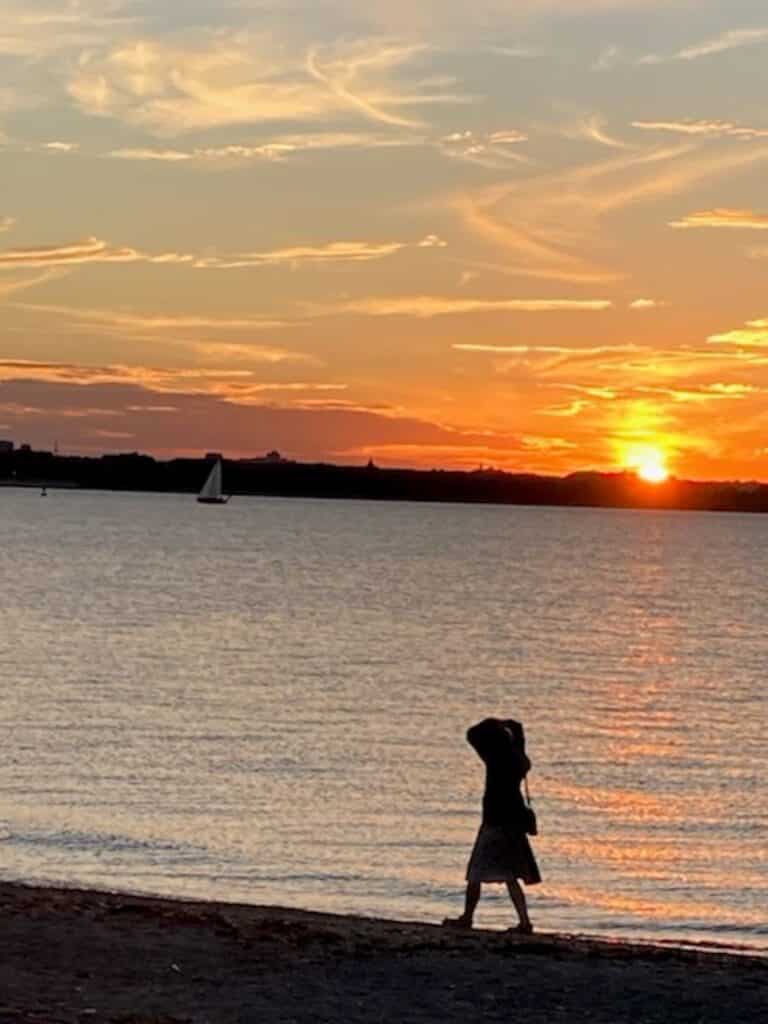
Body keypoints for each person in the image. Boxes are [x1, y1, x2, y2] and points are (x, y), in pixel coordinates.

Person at [444, 717, 541, 933]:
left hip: (495, 820)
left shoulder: (495, 759)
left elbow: (472, 733)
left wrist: (496, 722)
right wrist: (509, 726)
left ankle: (467, 917)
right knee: (511, 875)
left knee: (475, 872)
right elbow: (518, 729)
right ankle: (524, 922)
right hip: (514, 821)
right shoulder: (519, 760)